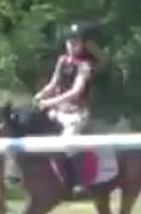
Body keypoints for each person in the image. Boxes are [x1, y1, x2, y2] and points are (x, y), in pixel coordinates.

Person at [33, 22, 104, 189]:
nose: (71, 46)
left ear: (82, 44)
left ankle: (76, 180)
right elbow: (53, 83)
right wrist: (41, 95)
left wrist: (51, 101)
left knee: (66, 145)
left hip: (76, 114)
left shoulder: (85, 66)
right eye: (69, 42)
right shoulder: (62, 60)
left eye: (75, 42)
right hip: (58, 112)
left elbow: (76, 91)